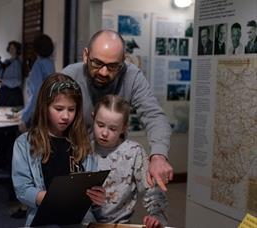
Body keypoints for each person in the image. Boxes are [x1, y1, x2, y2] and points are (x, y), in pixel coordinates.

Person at [61, 29, 172, 192]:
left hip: (113, 167)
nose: (103, 72)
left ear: (123, 61)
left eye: (113, 66)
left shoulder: (132, 76)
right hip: (72, 162)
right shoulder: (69, 76)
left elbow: (154, 116)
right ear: (85, 55)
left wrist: (159, 156)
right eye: (97, 63)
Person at [12, 73, 106, 226]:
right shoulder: (24, 143)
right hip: (43, 220)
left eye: (71, 109)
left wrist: (97, 198)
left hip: (80, 221)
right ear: (44, 107)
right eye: (59, 108)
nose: (66, 116)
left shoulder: (82, 142)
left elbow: (90, 188)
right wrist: (53, 199)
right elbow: (22, 189)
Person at [91, 95, 167, 228]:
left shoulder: (134, 152)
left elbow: (152, 190)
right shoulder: (83, 149)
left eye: (112, 129)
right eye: (100, 125)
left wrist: (156, 215)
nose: (104, 133)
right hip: (85, 223)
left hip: (120, 224)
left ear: (124, 128)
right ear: (93, 118)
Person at [19, 34, 55, 131]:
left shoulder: (38, 65)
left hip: (38, 113)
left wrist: (24, 117)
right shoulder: (50, 63)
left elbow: (36, 94)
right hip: (49, 110)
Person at [0, 41, 24, 106]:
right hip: (3, 93)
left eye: (13, 48)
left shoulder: (17, 63)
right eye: (10, 48)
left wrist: (3, 81)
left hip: (12, 94)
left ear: (17, 50)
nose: (11, 50)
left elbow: (18, 81)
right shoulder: (6, 61)